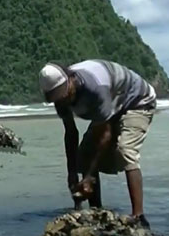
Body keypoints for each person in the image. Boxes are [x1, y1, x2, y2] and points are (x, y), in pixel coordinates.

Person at [38, 59, 157, 227]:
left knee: (125, 151)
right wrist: (72, 173)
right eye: (57, 99)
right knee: (84, 155)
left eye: (65, 94)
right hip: (112, 103)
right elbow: (71, 133)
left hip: (137, 101)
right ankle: (96, 213)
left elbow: (104, 135)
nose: (64, 101)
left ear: (71, 80)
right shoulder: (60, 99)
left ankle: (138, 217)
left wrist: (88, 177)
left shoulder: (94, 89)